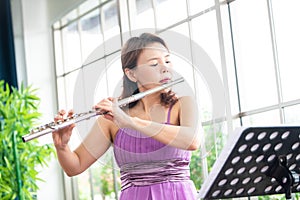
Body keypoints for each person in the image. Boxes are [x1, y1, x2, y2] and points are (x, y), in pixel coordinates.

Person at [53, 33, 201, 200]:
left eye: (167, 60)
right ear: (132, 74)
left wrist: (130, 122)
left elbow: (192, 140)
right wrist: (62, 146)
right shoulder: (111, 119)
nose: (165, 68)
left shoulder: (184, 104)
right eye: (154, 64)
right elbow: (75, 166)